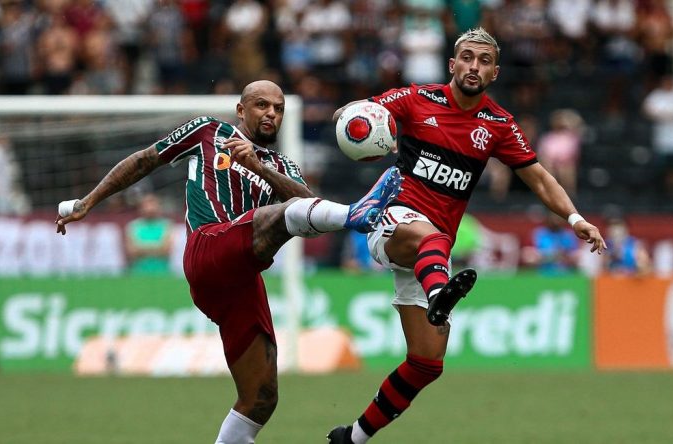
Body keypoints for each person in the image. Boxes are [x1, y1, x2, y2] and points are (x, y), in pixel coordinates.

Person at [55, 80, 403, 444]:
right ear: (241, 110)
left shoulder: (282, 165)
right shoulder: (209, 131)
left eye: (278, 108)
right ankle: (354, 215)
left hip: (242, 278)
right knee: (279, 215)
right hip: (208, 248)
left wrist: (259, 166)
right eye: (261, 105)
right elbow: (146, 160)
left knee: (261, 398)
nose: (271, 113)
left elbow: (306, 206)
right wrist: (87, 202)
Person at [327, 28, 606, 443]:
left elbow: (540, 179)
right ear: (452, 64)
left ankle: (353, 438)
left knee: (426, 364)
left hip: (429, 255)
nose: (474, 66)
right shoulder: (417, 99)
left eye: (484, 60)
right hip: (393, 222)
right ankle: (441, 291)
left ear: (494, 72)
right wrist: (355, 118)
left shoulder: (497, 124)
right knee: (432, 239)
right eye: (467, 57)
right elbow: (350, 116)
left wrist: (575, 218)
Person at [124, 193, 173, 275]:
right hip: (138, 273)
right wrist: (157, 248)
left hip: (162, 273)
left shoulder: (166, 225)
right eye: (146, 205)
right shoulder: (133, 226)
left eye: (153, 205)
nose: (150, 208)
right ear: (141, 207)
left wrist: (141, 249)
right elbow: (131, 252)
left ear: (158, 207)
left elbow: (165, 250)